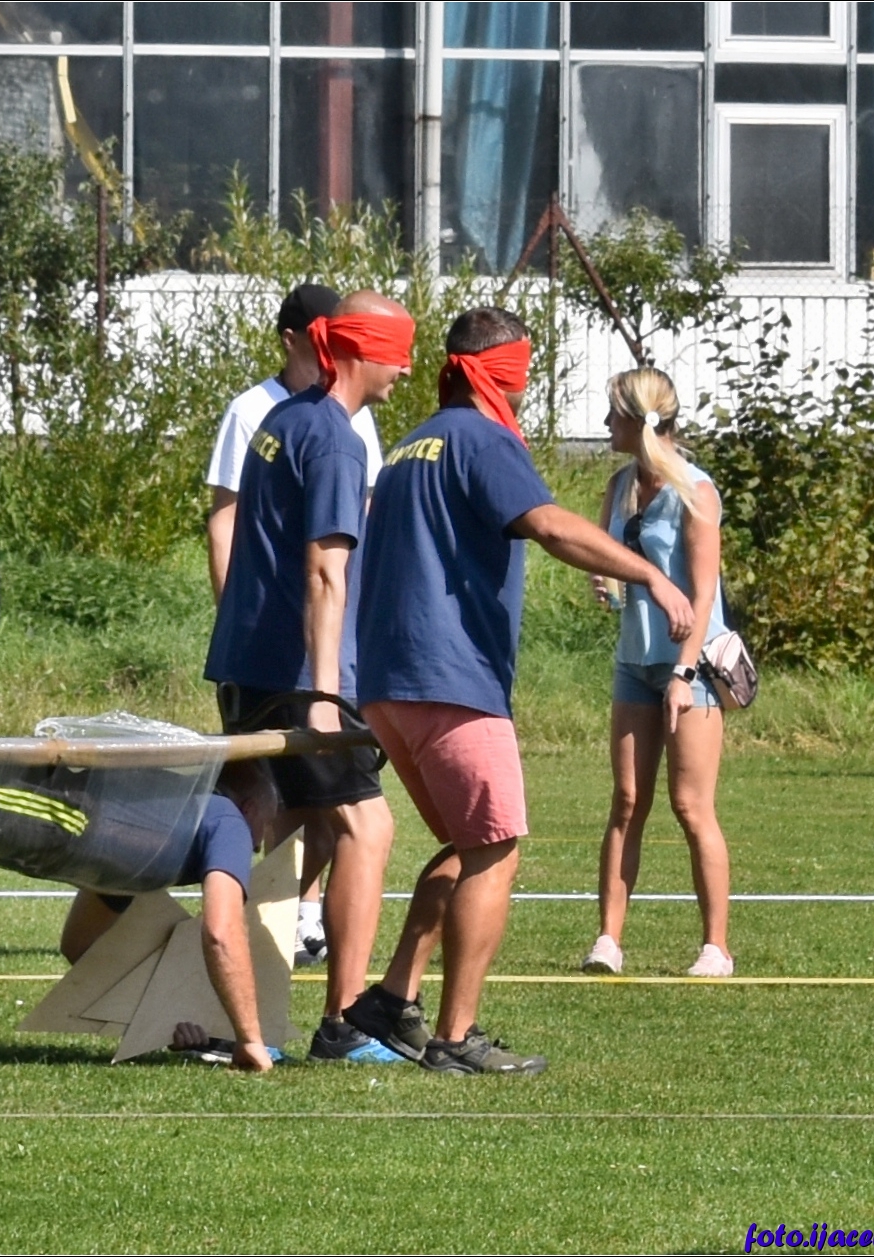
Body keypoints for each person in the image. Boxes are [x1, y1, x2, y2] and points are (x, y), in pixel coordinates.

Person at [346, 308, 695, 1076]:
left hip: (388, 682)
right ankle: (455, 1037)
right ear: (497, 369)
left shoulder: (410, 444)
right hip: (451, 677)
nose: (526, 384)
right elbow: (549, 524)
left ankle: (389, 1001)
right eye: (521, 370)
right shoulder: (483, 438)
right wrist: (649, 573)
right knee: (495, 848)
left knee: (470, 843)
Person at [204, 289, 410, 1064]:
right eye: (397, 353)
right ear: (359, 352)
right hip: (295, 675)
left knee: (284, 830)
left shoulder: (282, 419)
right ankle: (344, 1023)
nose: (405, 369)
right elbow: (326, 573)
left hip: (247, 662)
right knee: (366, 826)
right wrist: (327, 693)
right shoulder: (334, 440)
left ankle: (228, 1003)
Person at [581, 368, 735, 979]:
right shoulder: (620, 485)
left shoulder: (696, 492)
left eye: (612, 415)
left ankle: (716, 948)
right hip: (633, 661)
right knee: (626, 801)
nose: (605, 425)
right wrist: (604, 581)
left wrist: (683, 674)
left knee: (690, 806)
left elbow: (703, 594)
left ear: (637, 420)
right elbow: (606, 556)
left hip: (689, 667)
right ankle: (607, 942)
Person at [0, 767, 277, 1073]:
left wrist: (162, 1018)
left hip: (62, 813)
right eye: (265, 826)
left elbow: (82, 945)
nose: (258, 847)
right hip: (56, 808)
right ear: (249, 809)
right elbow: (221, 934)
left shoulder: (150, 841)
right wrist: (250, 1039)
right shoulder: (229, 821)